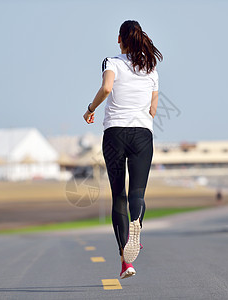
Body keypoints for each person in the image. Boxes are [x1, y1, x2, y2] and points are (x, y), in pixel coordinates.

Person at [83, 20, 163, 279]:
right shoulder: (151, 69)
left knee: (118, 195)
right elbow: (153, 109)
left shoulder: (112, 62)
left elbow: (107, 88)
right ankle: (137, 222)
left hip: (115, 134)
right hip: (142, 134)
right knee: (137, 194)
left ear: (120, 40)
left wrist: (91, 108)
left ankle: (125, 262)